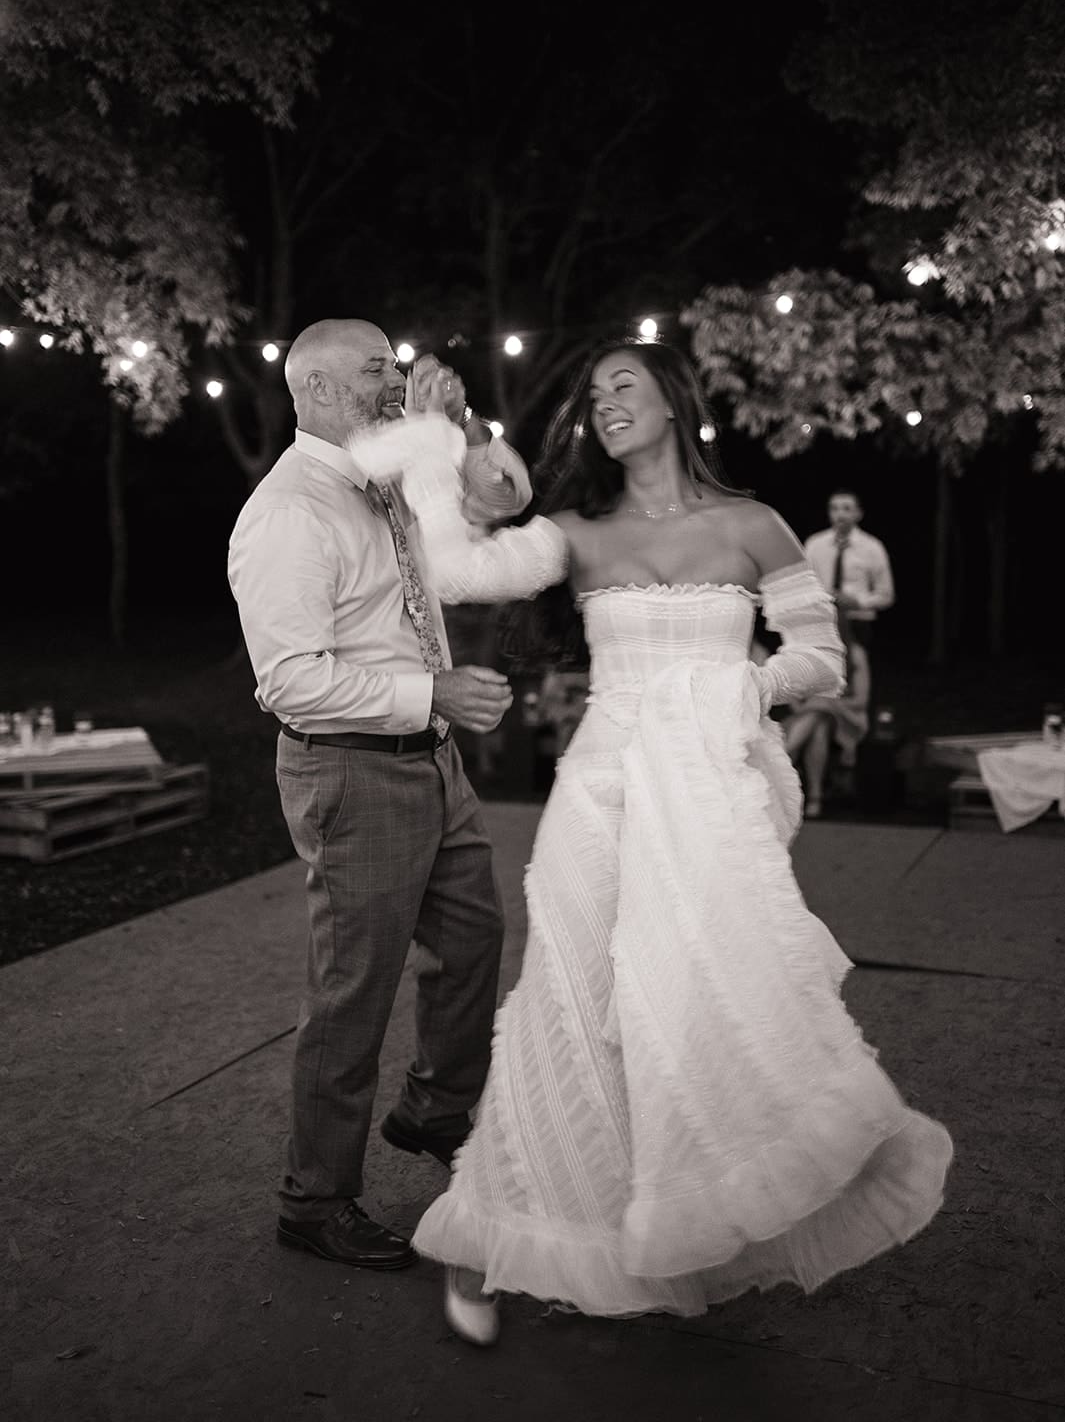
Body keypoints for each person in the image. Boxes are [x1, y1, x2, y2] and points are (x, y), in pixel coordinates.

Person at [351, 338, 953, 1346]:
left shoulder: (754, 524)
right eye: (595, 394)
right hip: (599, 791)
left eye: (624, 383)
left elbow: (821, 660)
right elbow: (451, 573)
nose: (606, 402)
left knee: (691, 987)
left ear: (677, 399)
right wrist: (434, 441)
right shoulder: (579, 532)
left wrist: (740, 688)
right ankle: (574, 1227)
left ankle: (700, 1210)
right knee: (577, 996)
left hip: (707, 792)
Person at [227, 319, 532, 1273]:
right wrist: (431, 692)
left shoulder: (389, 476)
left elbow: (502, 502)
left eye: (396, 369)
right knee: (353, 989)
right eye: (375, 373)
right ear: (314, 390)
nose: (393, 385)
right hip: (350, 769)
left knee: (475, 936)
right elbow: (289, 681)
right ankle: (313, 1200)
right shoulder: (287, 513)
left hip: (429, 760)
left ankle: (433, 1111)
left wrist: (463, 422)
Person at [784, 615, 871, 818]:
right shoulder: (805, 654)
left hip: (848, 717)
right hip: (809, 718)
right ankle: (815, 796)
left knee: (820, 708)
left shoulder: (856, 654)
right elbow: (794, 699)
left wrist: (827, 703)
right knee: (819, 728)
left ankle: (784, 754)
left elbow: (860, 700)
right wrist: (817, 705)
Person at [803, 491, 894, 652]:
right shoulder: (814, 544)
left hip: (857, 621)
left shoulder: (872, 547)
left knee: (856, 664)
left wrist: (858, 602)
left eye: (846, 509)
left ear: (858, 514)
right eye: (834, 509)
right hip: (822, 620)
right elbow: (804, 584)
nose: (840, 514)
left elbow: (886, 595)